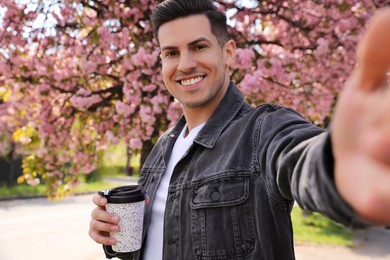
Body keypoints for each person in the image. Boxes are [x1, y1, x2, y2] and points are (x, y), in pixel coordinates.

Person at [89, 0, 390, 259]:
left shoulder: (263, 130)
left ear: (229, 52)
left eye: (199, 46)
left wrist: (342, 166)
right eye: (171, 53)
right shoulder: (161, 150)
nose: (185, 64)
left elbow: (301, 158)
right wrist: (114, 239)